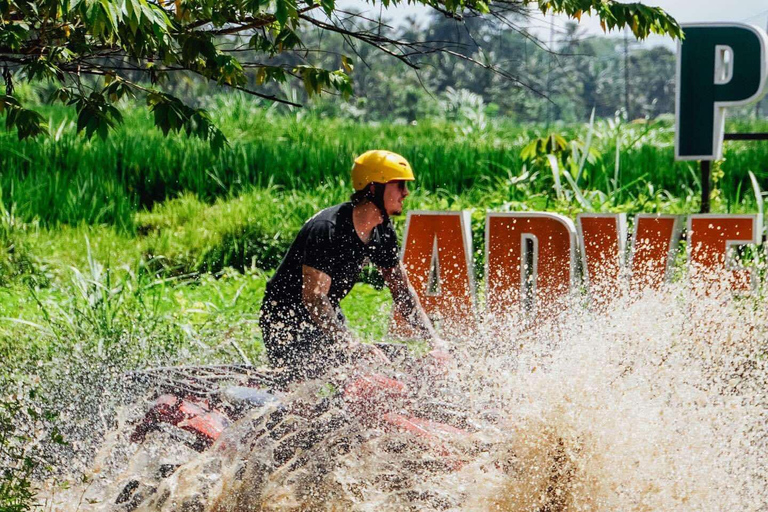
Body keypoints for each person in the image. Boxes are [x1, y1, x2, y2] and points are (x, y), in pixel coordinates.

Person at [259, 149, 447, 382]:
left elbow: (402, 292)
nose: (406, 193)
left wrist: (434, 341)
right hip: (286, 318)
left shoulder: (382, 230)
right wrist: (349, 345)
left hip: (327, 312)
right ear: (373, 188)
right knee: (306, 390)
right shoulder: (328, 228)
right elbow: (314, 298)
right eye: (399, 185)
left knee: (366, 373)